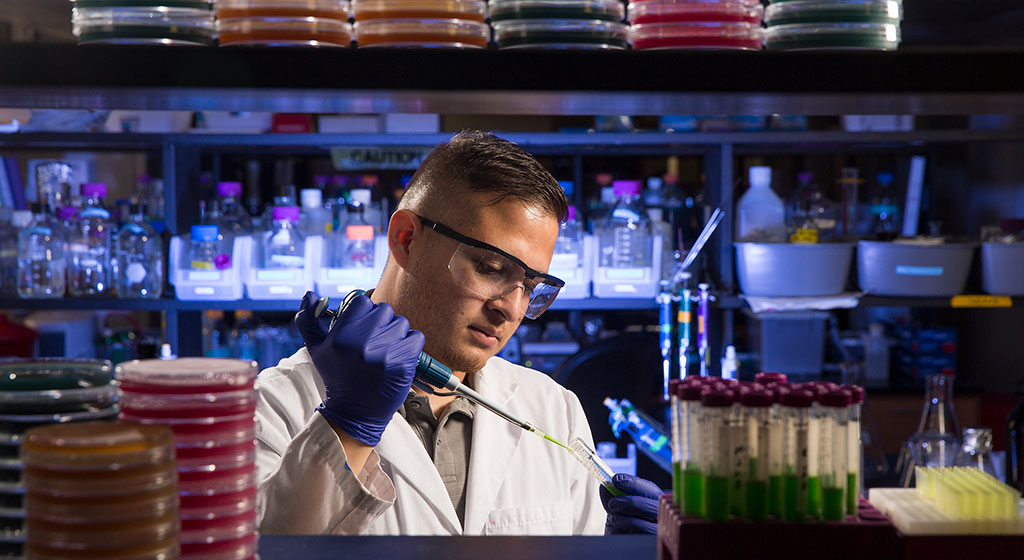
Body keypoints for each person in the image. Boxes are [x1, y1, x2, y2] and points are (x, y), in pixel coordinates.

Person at [255, 131, 661, 536]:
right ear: (406, 239)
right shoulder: (273, 407)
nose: (512, 308)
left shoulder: (553, 410)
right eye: (490, 267)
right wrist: (347, 426)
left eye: (532, 286)